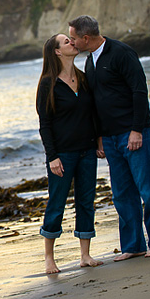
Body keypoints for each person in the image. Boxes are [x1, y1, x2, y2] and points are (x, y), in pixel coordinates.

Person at [68, 15, 150, 261]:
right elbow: (96, 103)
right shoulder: (90, 62)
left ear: (86, 38)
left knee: (149, 189)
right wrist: (100, 137)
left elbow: (139, 91)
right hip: (111, 139)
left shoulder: (122, 53)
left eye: (73, 38)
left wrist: (137, 129)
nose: (72, 43)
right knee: (122, 194)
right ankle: (133, 245)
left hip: (136, 133)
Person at [35, 33, 104, 274]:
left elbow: (93, 114)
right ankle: (49, 258)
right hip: (62, 155)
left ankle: (85, 255)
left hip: (87, 151)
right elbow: (45, 124)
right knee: (56, 204)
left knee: (86, 202)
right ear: (56, 51)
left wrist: (99, 141)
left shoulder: (83, 78)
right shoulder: (47, 84)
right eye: (66, 42)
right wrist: (52, 156)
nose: (72, 43)